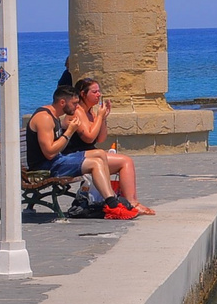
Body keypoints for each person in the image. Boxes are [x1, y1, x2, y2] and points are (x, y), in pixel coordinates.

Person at [28, 87, 139, 220]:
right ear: (62, 102)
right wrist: (70, 131)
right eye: (74, 103)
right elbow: (50, 153)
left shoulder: (54, 115)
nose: (76, 107)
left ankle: (107, 199)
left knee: (99, 154)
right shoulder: (45, 118)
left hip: (56, 160)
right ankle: (113, 205)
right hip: (45, 167)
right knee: (95, 163)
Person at [64, 77, 151, 215]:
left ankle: (131, 202)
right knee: (125, 161)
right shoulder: (78, 111)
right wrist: (99, 116)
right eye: (94, 92)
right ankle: (131, 203)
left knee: (125, 161)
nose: (99, 94)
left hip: (90, 154)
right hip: (76, 157)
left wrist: (103, 118)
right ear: (83, 93)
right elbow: (89, 138)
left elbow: (101, 138)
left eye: (99, 91)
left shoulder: (90, 112)